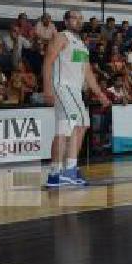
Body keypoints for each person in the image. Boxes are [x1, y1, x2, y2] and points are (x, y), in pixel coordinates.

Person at [43, 11, 110, 188]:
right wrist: (47, 88)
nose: (78, 21)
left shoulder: (81, 44)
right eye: (74, 18)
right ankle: (70, 170)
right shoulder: (60, 37)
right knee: (80, 125)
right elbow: (48, 62)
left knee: (64, 130)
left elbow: (87, 73)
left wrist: (100, 94)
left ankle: (55, 174)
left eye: (80, 19)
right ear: (66, 21)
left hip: (74, 91)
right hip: (62, 87)